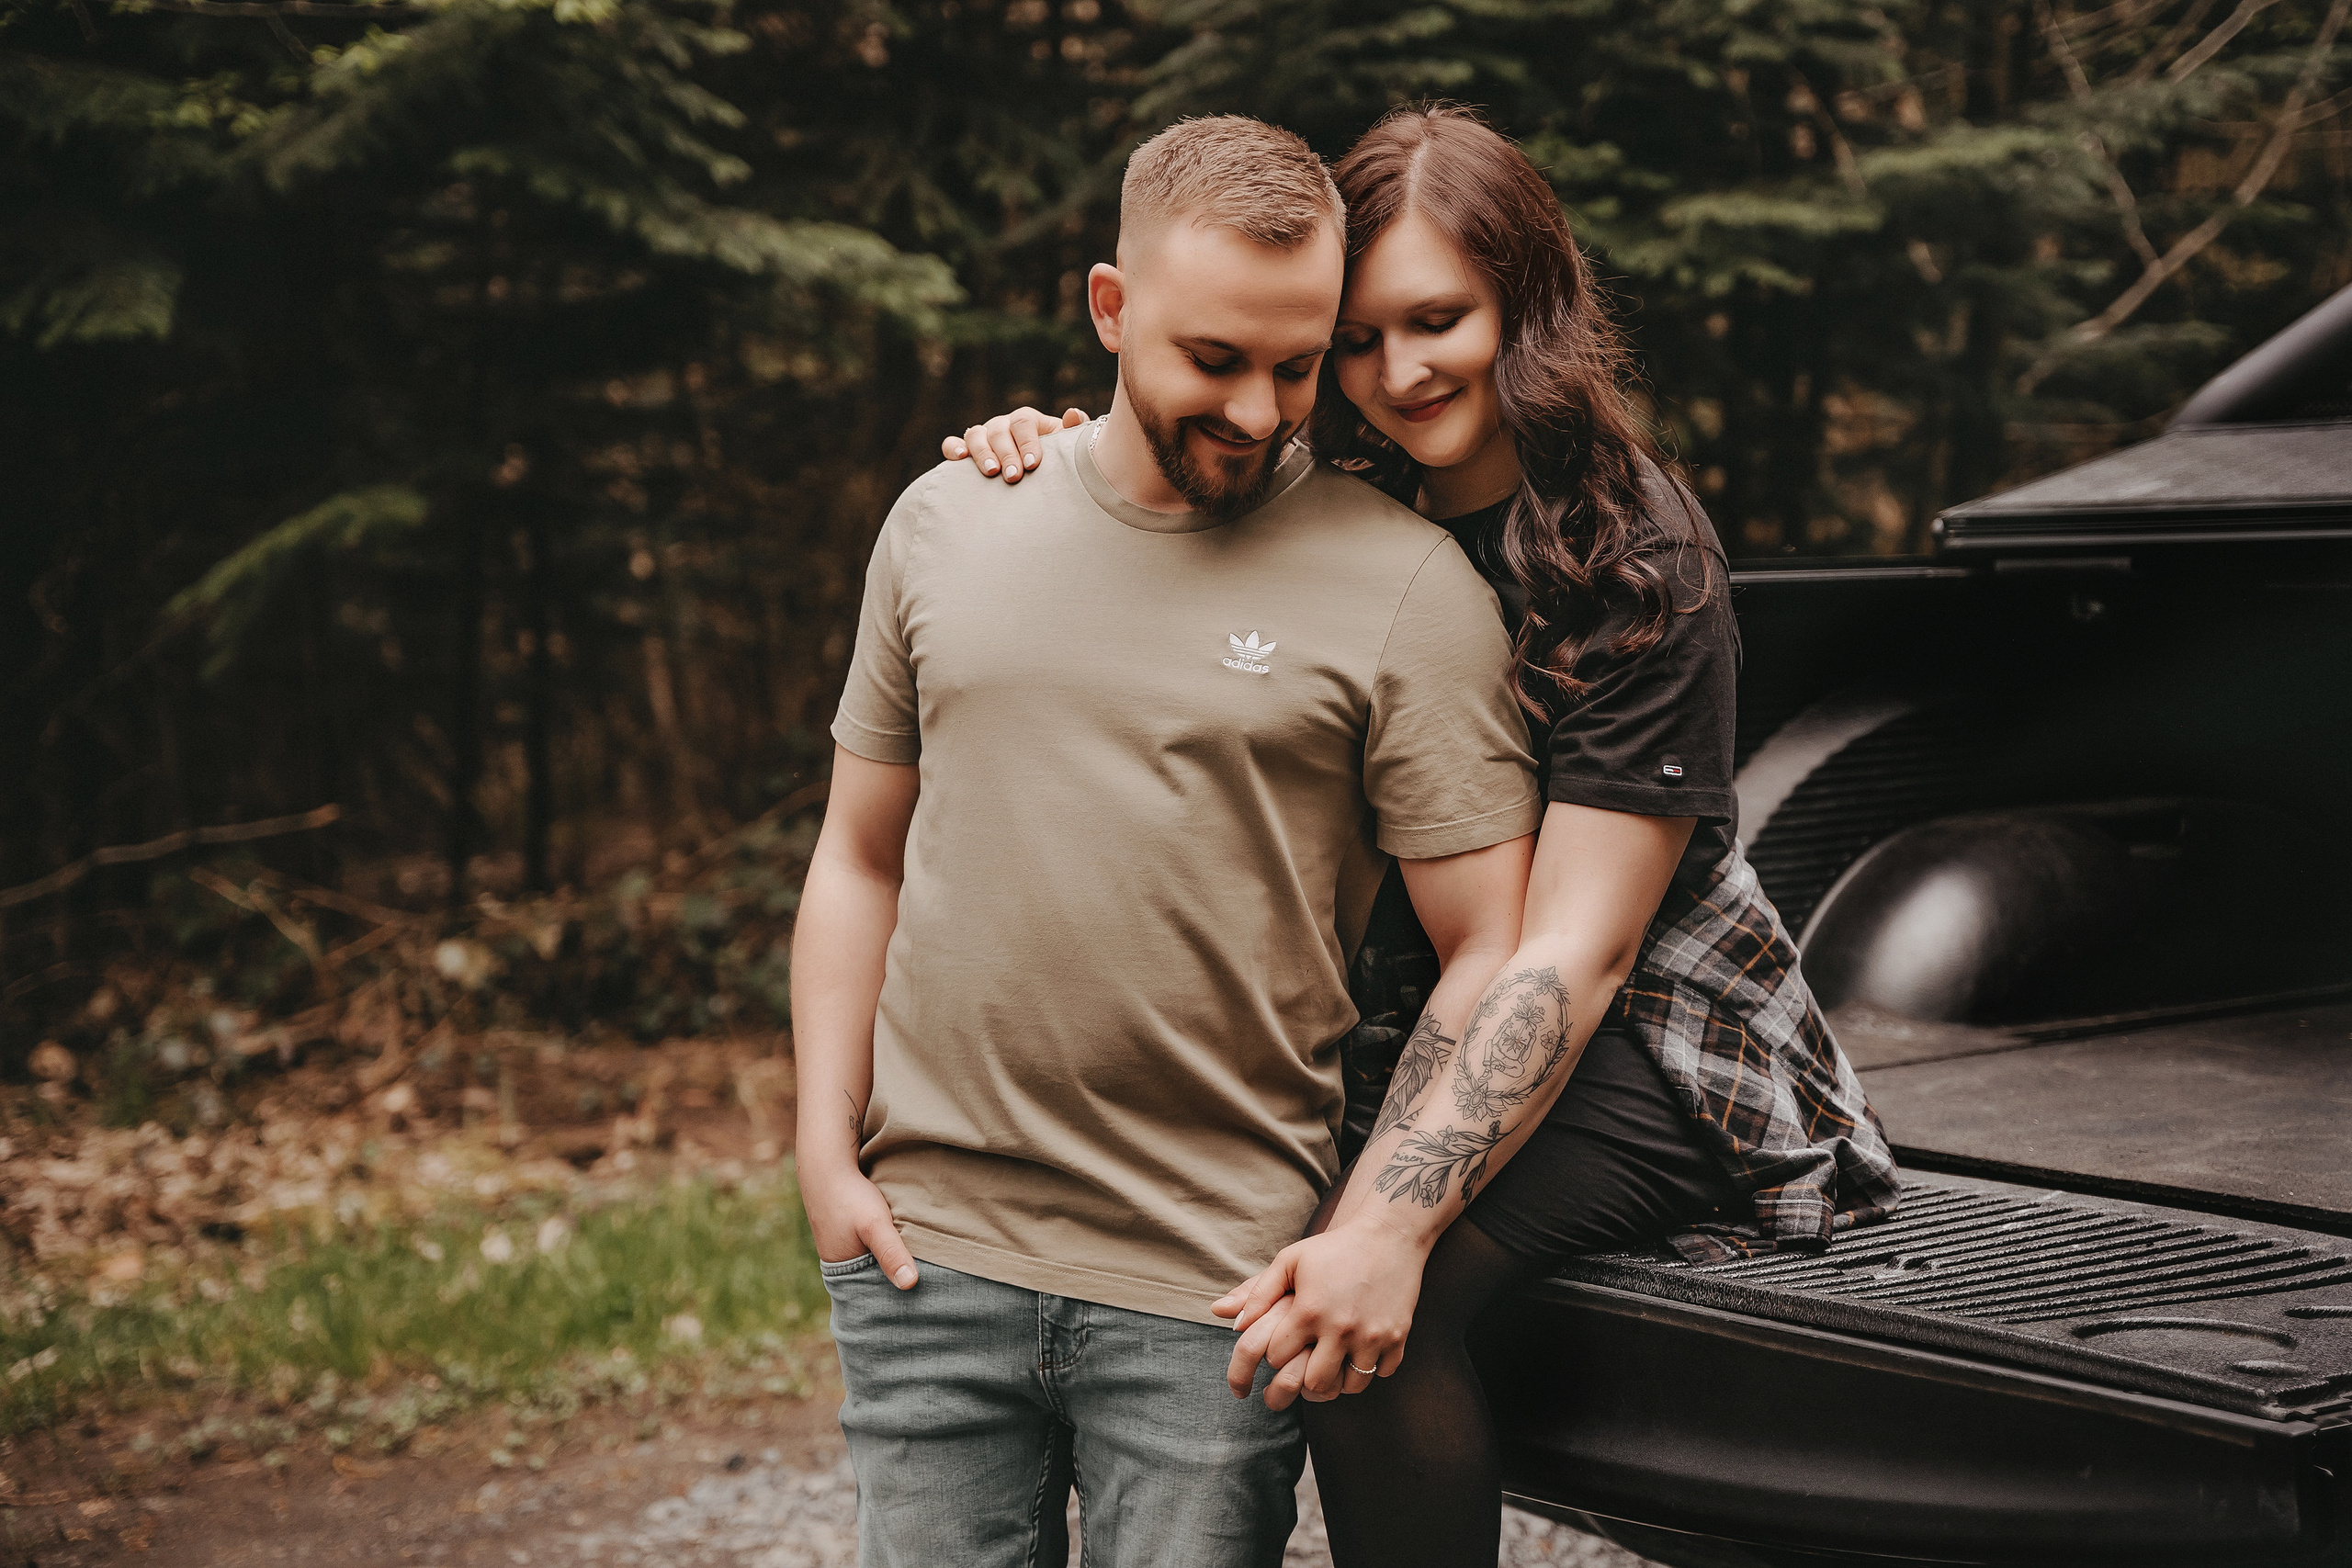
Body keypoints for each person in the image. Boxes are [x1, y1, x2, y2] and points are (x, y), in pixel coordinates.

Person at [943, 104, 1903, 1568]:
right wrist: (1043, 452)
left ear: (1527, 301)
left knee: (1372, 1296)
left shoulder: (1629, 550)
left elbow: (1574, 954)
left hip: (1646, 1041)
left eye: (1439, 320)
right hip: (1394, 1021)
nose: (1398, 375)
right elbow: (1144, 494)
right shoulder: (1329, 493)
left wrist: (1387, 1228)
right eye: (1357, 340)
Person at [790, 113, 1548, 1568]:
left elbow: (1490, 952)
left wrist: (1371, 1225)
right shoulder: (950, 522)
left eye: (1299, 363)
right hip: (928, 1258)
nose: (1263, 413)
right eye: (1215, 360)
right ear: (1112, 309)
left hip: (1213, 1285)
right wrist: (825, 1151)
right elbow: (859, 856)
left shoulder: (1408, 589)